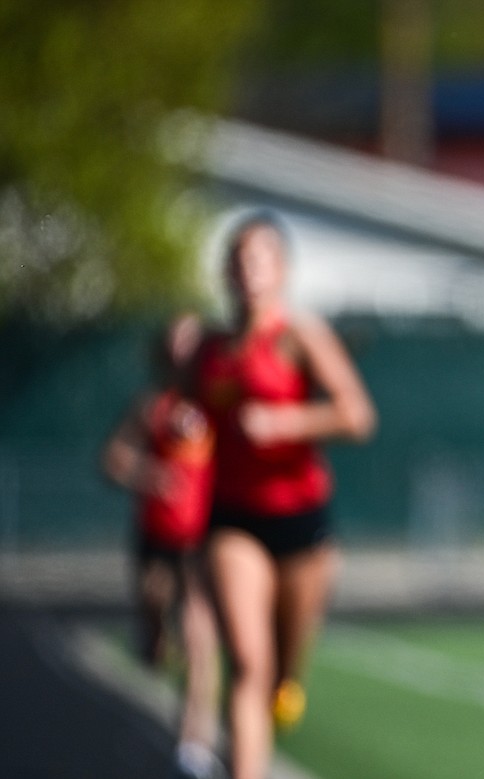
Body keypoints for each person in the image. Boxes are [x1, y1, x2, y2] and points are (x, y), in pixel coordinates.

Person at [195, 211, 377, 779]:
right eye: (238, 259)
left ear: (281, 269)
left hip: (301, 522)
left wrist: (286, 423)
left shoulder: (300, 335)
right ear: (226, 271)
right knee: (248, 663)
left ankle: (284, 688)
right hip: (233, 521)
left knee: (279, 676)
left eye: (259, 258)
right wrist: (181, 425)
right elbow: (184, 409)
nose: (248, 270)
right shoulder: (211, 349)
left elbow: (357, 415)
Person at [102, 311, 225, 779]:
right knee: (155, 632)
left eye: (193, 342)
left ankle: (193, 745)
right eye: (176, 341)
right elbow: (113, 458)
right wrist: (146, 474)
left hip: (203, 539)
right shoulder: (151, 406)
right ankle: (155, 637)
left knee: (200, 638)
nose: (184, 351)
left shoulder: (218, 403)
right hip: (156, 537)